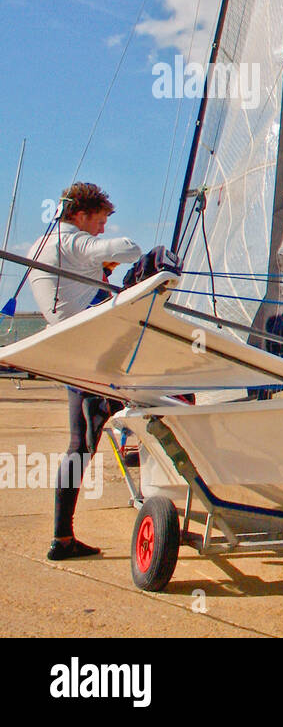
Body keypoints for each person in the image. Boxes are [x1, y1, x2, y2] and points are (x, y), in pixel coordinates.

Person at [27, 183, 142, 560]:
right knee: (81, 446)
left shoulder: (40, 245)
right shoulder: (74, 242)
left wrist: (99, 269)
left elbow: (71, 290)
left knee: (83, 444)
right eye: (101, 220)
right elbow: (129, 249)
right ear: (80, 215)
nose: (103, 229)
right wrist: (106, 258)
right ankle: (61, 539)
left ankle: (63, 537)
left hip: (80, 355)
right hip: (95, 359)